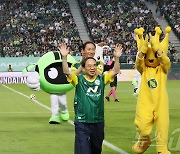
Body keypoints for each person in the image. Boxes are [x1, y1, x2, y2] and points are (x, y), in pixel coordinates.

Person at [59, 42, 122, 154]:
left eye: (94, 66)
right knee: (83, 150)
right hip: (82, 122)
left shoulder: (102, 78)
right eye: (89, 66)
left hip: (98, 121)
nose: (92, 68)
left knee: (96, 150)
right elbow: (66, 72)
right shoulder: (79, 79)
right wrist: (64, 57)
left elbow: (115, 71)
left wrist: (116, 58)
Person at [132, 27, 171, 154]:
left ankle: (162, 148)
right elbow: (138, 63)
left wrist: (156, 47)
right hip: (145, 101)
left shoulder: (162, 69)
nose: (151, 58)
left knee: (162, 125)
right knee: (142, 127)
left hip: (161, 102)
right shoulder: (144, 69)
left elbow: (165, 61)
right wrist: (143, 49)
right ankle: (144, 140)